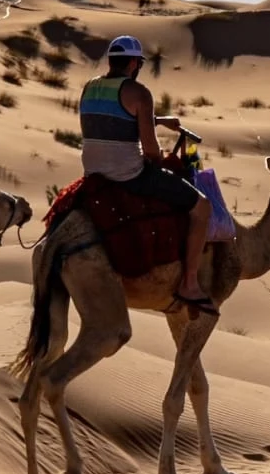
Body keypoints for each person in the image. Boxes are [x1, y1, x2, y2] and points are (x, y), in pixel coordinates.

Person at [79, 35, 219, 313]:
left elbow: (112, 117)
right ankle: (189, 283)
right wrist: (161, 161)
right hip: (127, 175)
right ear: (133, 63)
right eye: (138, 63)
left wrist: (158, 120)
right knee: (202, 207)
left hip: (93, 171)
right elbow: (152, 151)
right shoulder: (140, 93)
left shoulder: (90, 87)